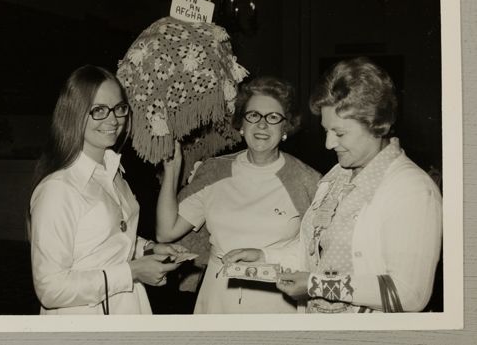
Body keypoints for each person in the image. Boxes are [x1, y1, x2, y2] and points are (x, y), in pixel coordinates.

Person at [223, 57, 442, 313]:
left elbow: (409, 294)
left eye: (340, 133)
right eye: (327, 130)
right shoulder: (338, 175)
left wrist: (317, 285)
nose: (328, 144)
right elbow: (318, 251)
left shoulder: (412, 190)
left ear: (376, 125)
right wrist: (266, 257)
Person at [29, 65, 186, 315]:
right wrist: (132, 271)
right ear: (74, 114)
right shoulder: (58, 190)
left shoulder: (113, 172)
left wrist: (146, 248)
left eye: (119, 108)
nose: (113, 120)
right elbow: (49, 289)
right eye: (99, 110)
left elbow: (101, 241)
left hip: (127, 306)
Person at [156, 76, 321, 314]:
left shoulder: (307, 180)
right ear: (241, 124)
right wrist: (172, 171)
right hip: (217, 298)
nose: (262, 125)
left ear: (285, 128)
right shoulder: (214, 171)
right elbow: (166, 231)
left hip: (277, 301)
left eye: (273, 118)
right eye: (253, 115)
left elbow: (318, 251)